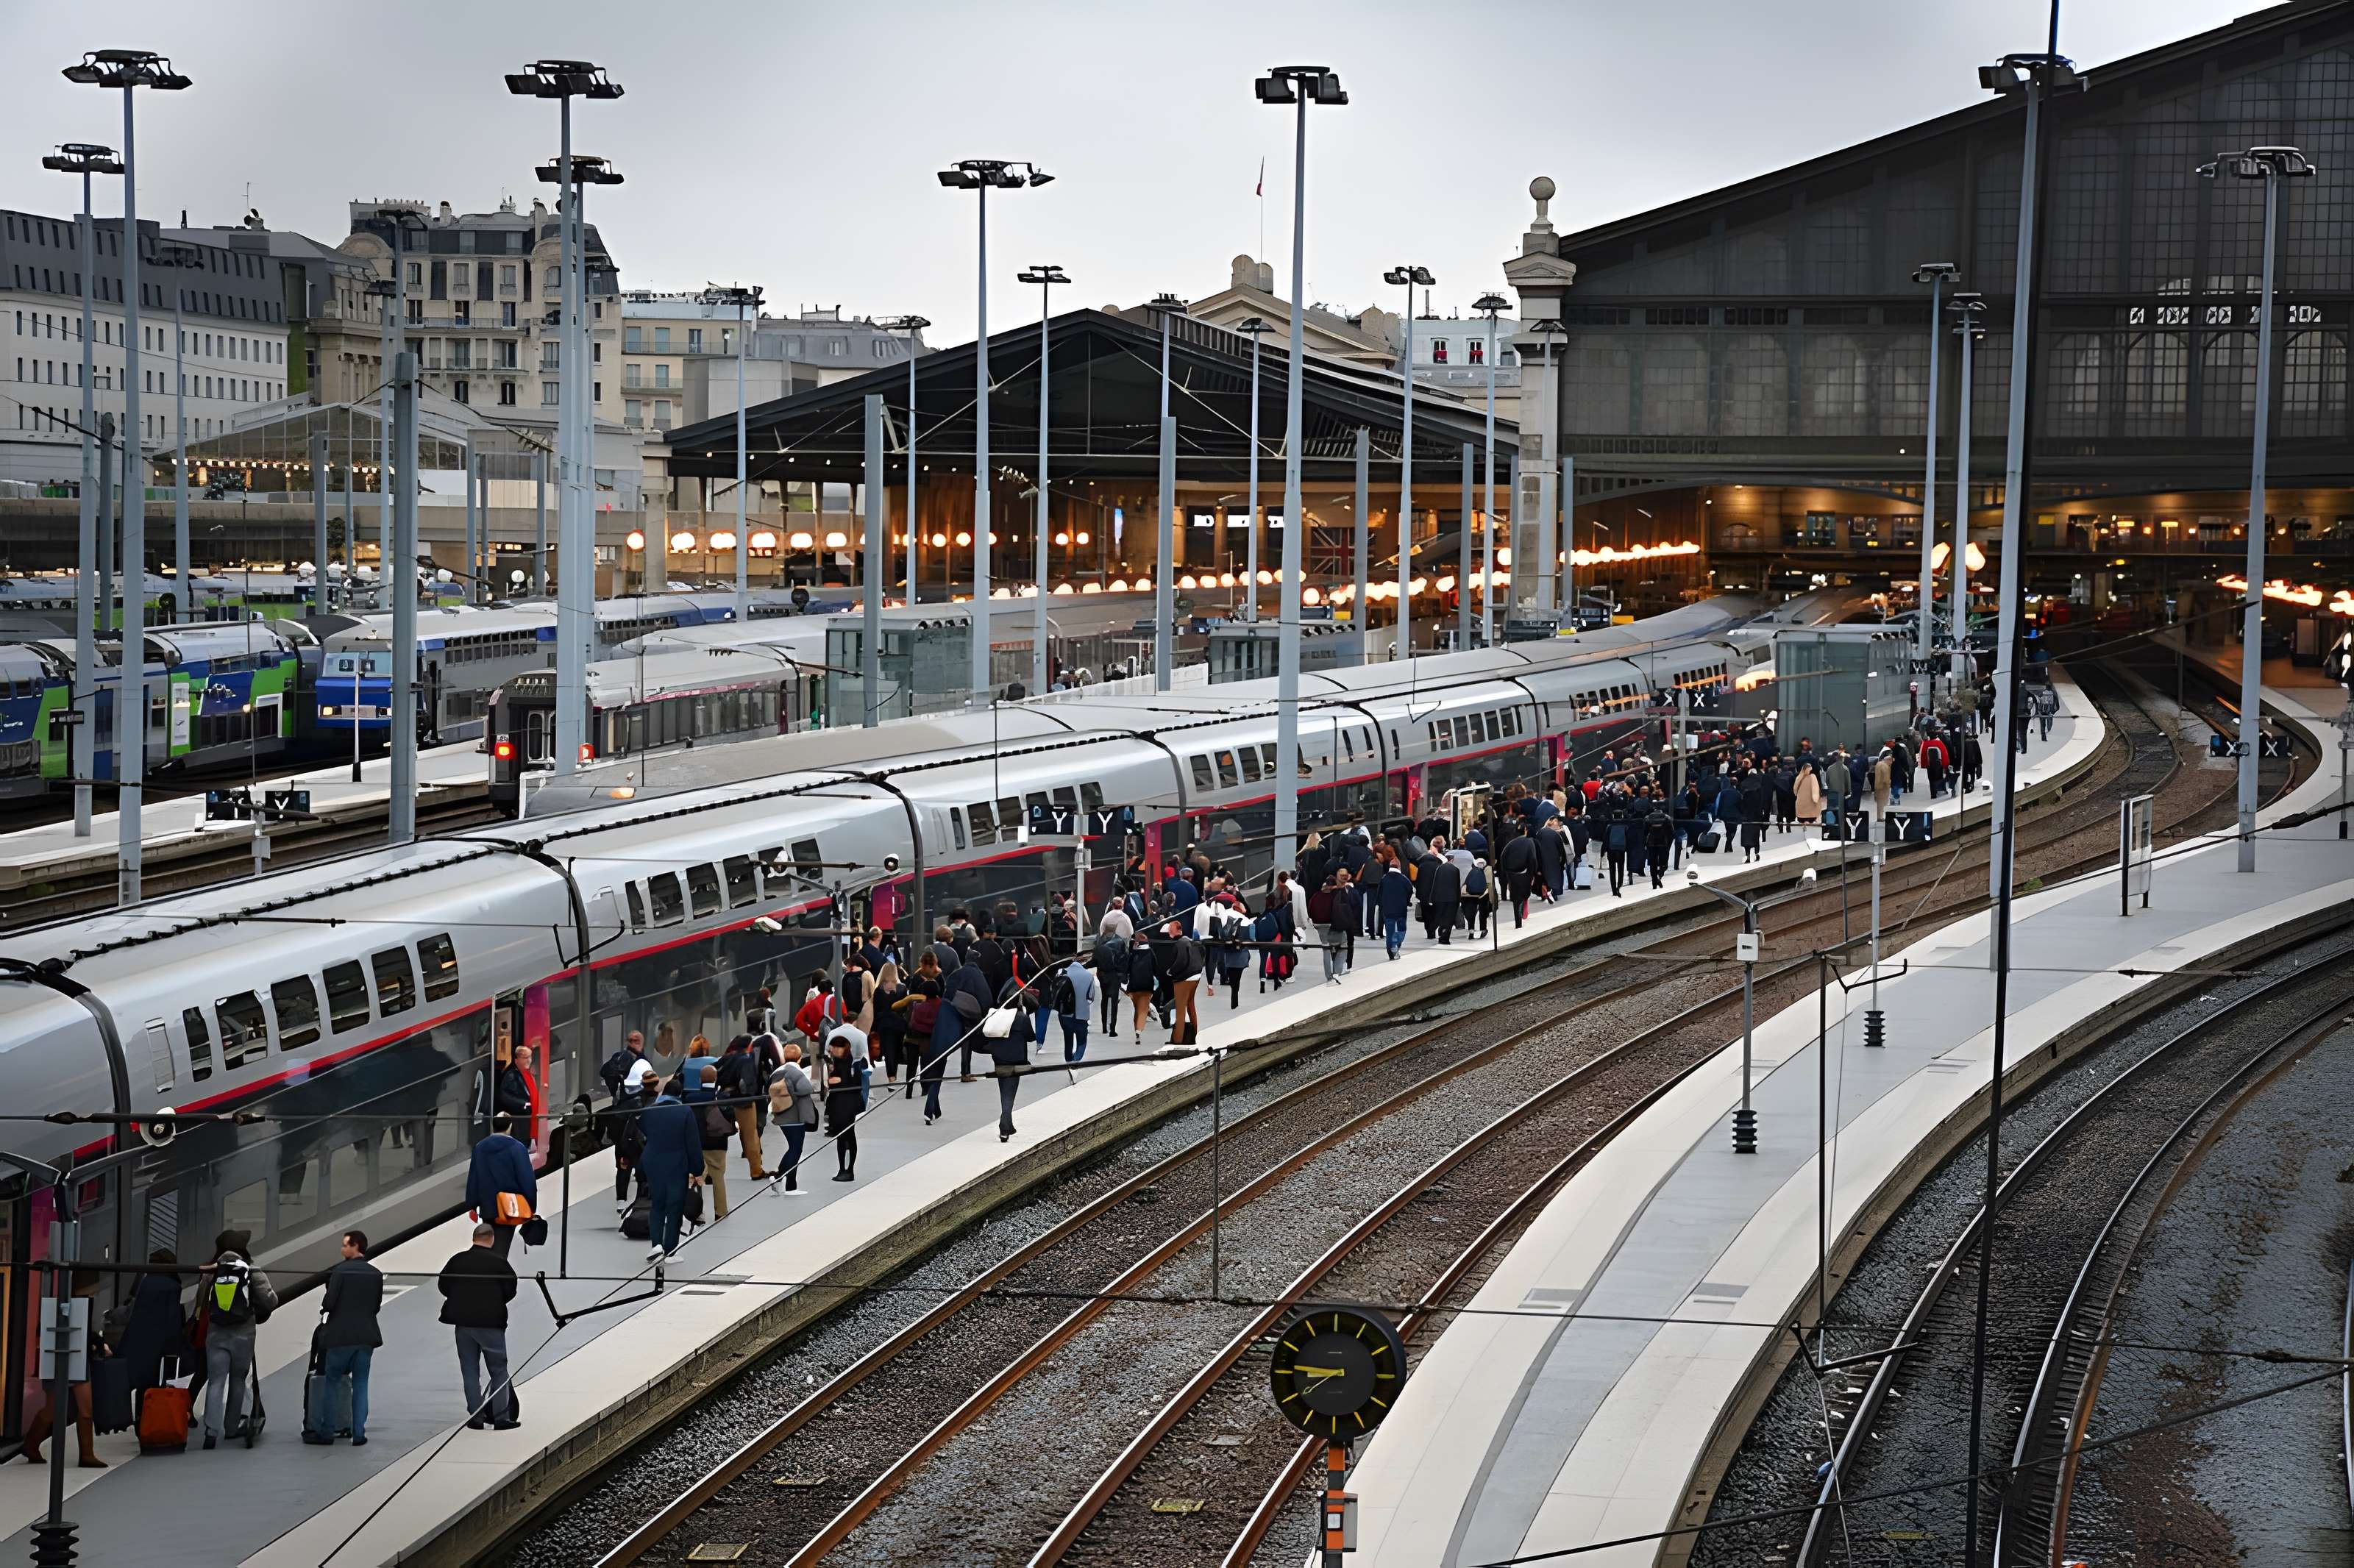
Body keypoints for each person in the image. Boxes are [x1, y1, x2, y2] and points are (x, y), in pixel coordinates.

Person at [196, 1231, 277, 1449]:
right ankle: (232, 1428)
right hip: (244, 1334)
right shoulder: (252, 1271)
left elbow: (201, 1302)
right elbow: (271, 1301)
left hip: (216, 1334)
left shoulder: (211, 1272)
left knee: (216, 1381)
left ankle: (211, 1433)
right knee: (238, 1380)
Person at [22, 1270, 107, 1468]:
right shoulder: (76, 1306)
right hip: (72, 1358)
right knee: (79, 1410)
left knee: (60, 1409)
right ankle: (82, 1454)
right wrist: (97, 1342)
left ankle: (34, 1445)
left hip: (66, 1357)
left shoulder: (63, 1305)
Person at [438, 1222, 519, 1430]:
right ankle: (502, 1418)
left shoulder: (457, 1260)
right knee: (499, 1370)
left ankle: (476, 1417)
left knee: (470, 1370)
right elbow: (510, 1290)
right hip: (491, 1324)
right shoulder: (499, 1263)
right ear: (491, 1239)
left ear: (474, 1238)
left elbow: (443, 1286)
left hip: (463, 1325)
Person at [306, 1230, 383, 1446]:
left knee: (332, 1383)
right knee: (360, 1385)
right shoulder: (376, 1274)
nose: (342, 1249)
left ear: (356, 1246)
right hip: (366, 1336)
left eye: (346, 1245)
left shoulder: (340, 1272)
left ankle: (327, 1432)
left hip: (340, 1337)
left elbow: (329, 1304)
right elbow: (375, 1306)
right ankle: (359, 1433)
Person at [636, 1078, 702, 1263]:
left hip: (653, 1161)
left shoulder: (649, 1112)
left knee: (657, 1204)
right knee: (674, 1206)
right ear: (680, 1094)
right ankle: (670, 1250)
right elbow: (693, 1142)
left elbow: (641, 1130)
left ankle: (656, 1245)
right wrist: (698, 1169)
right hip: (676, 1163)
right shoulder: (685, 1111)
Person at [464, 1111, 537, 1259]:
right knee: (502, 1249)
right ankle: (495, 1275)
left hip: (487, 1207)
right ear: (510, 1126)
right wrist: (531, 1206)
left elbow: (474, 1178)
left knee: (488, 1244)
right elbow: (526, 1179)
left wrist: (472, 1204)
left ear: (493, 1126)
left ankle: (488, 1273)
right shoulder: (517, 1148)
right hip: (510, 1208)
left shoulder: (480, 1148)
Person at [118, 1249, 185, 1402]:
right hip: (158, 1343)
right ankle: (150, 1419)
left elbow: (130, 1303)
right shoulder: (173, 1286)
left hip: (136, 1338)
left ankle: (139, 1419)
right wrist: (174, 1346)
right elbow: (173, 1318)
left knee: (140, 1382)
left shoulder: (142, 1278)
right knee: (155, 1384)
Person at [766, 1042, 822, 1192]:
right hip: (795, 1116)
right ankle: (779, 1178)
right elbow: (806, 1089)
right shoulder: (795, 1071)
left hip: (781, 1114)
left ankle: (791, 1185)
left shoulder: (777, 1072)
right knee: (795, 1150)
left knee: (793, 1148)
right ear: (799, 1058)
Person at [684, 1062, 734, 1219]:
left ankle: (695, 1212)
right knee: (718, 1176)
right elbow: (732, 1117)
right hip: (718, 1143)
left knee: (695, 1177)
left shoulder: (691, 1098)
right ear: (716, 1079)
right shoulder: (722, 1098)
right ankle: (721, 1211)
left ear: (700, 1079)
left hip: (696, 1143)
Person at [989, 982, 1036, 1141]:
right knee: (1010, 1093)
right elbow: (1031, 1037)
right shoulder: (1021, 1018)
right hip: (1015, 1059)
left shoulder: (997, 1015)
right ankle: (1004, 1126)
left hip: (998, 1058)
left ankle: (1009, 1125)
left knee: (1004, 1091)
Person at [717, 1035, 767, 1180]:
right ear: (748, 1045)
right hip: (742, 1100)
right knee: (750, 1134)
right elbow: (747, 1082)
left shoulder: (727, 1058)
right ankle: (756, 1169)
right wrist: (750, 1095)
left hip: (724, 1098)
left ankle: (709, 1172)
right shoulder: (747, 1060)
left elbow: (717, 1073)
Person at [611, 1058, 656, 1216]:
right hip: (641, 1145)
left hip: (628, 1144)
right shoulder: (654, 1101)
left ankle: (623, 1202)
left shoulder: (626, 1101)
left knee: (625, 1171)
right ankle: (640, 1203)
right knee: (642, 1176)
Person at [824, 1033, 866, 1182]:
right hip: (838, 1103)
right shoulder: (835, 1062)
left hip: (848, 1103)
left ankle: (849, 1170)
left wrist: (840, 1081)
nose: (832, 1050)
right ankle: (843, 1168)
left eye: (835, 1048)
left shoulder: (853, 1063)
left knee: (847, 1135)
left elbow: (856, 1084)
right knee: (841, 1137)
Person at [1159, 924, 1203, 1044]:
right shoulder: (1191, 942)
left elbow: (1181, 961)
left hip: (1186, 978)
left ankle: (1178, 1040)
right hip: (1196, 975)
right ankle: (1194, 1033)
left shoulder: (1180, 944)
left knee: (1180, 1009)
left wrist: (1171, 971)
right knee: (1190, 1006)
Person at [1050, 953, 1095, 1063]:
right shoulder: (1089, 976)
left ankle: (1068, 1061)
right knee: (1082, 1041)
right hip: (1082, 1014)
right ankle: (1076, 1059)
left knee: (1068, 1039)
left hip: (1064, 1013)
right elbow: (1091, 997)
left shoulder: (1062, 972)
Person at [1416, 847, 1460, 944]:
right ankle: (1440, 931)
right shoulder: (1439, 866)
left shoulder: (1422, 867)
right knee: (1441, 915)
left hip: (1427, 895)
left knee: (1427, 914)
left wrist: (1419, 894)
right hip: (1443, 896)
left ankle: (1430, 932)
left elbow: (1418, 882)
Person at [1123, 927, 1159, 1047]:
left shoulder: (1133, 954)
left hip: (1134, 986)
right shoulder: (1151, 952)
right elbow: (1156, 968)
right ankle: (1139, 1029)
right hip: (1147, 985)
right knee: (1142, 1009)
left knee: (1137, 1009)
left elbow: (1127, 969)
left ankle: (1136, 1030)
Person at [1377, 853, 1413, 959]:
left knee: (1390, 931)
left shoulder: (1384, 879)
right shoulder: (1404, 879)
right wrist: (1407, 901)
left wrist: (1381, 905)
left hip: (1387, 910)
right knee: (1402, 929)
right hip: (1401, 910)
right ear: (1399, 867)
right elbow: (1410, 891)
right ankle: (1397, 946)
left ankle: (1391, 950)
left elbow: (1379, 894)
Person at [1326, 869, 1360, 978]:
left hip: (1339, 924)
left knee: (1339, 944)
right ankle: (1345, 965)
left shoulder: (1332, 892)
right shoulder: (1350, 892)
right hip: (1344, 923)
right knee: (1345, 944)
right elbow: (1358, 908)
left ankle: (1342, 965)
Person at [792, 980, 841, 1050]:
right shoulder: (838, 1002)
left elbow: (798, 1020)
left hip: (816, 1042)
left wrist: (812, 1034)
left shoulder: (811, 1004)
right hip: (835, 1041)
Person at [1643, 802, 1675, 891]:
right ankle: (1659, 876)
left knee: (1653, 863)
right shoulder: (1667, 818)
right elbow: (1671, 833)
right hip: (1663, 842)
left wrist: (1645, 843)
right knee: (1664, 863)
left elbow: (1645, 832)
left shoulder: (1648, 818)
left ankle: (1654, 882)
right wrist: (1668, 844)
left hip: (1651, 843)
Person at [1463, 858, 1494, 938]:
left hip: (1471, 895)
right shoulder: (1487, 870)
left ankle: (1471, 931)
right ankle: (1483, 929)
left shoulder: (1471, 872)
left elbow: (1466, 883)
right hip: (1483, 894)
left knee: (1471, 912)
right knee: (1483, 912)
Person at [1794, 760, 1823, 826]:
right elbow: (1815, 789)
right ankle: (1809, 821)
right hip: (1810, 805)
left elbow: (1795, 790)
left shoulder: (1799, 777)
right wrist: (1816, 799)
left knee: (1802, 816)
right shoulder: (1813, 777)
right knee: (1810, 815)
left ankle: (1803, 821)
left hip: (1800, 806)